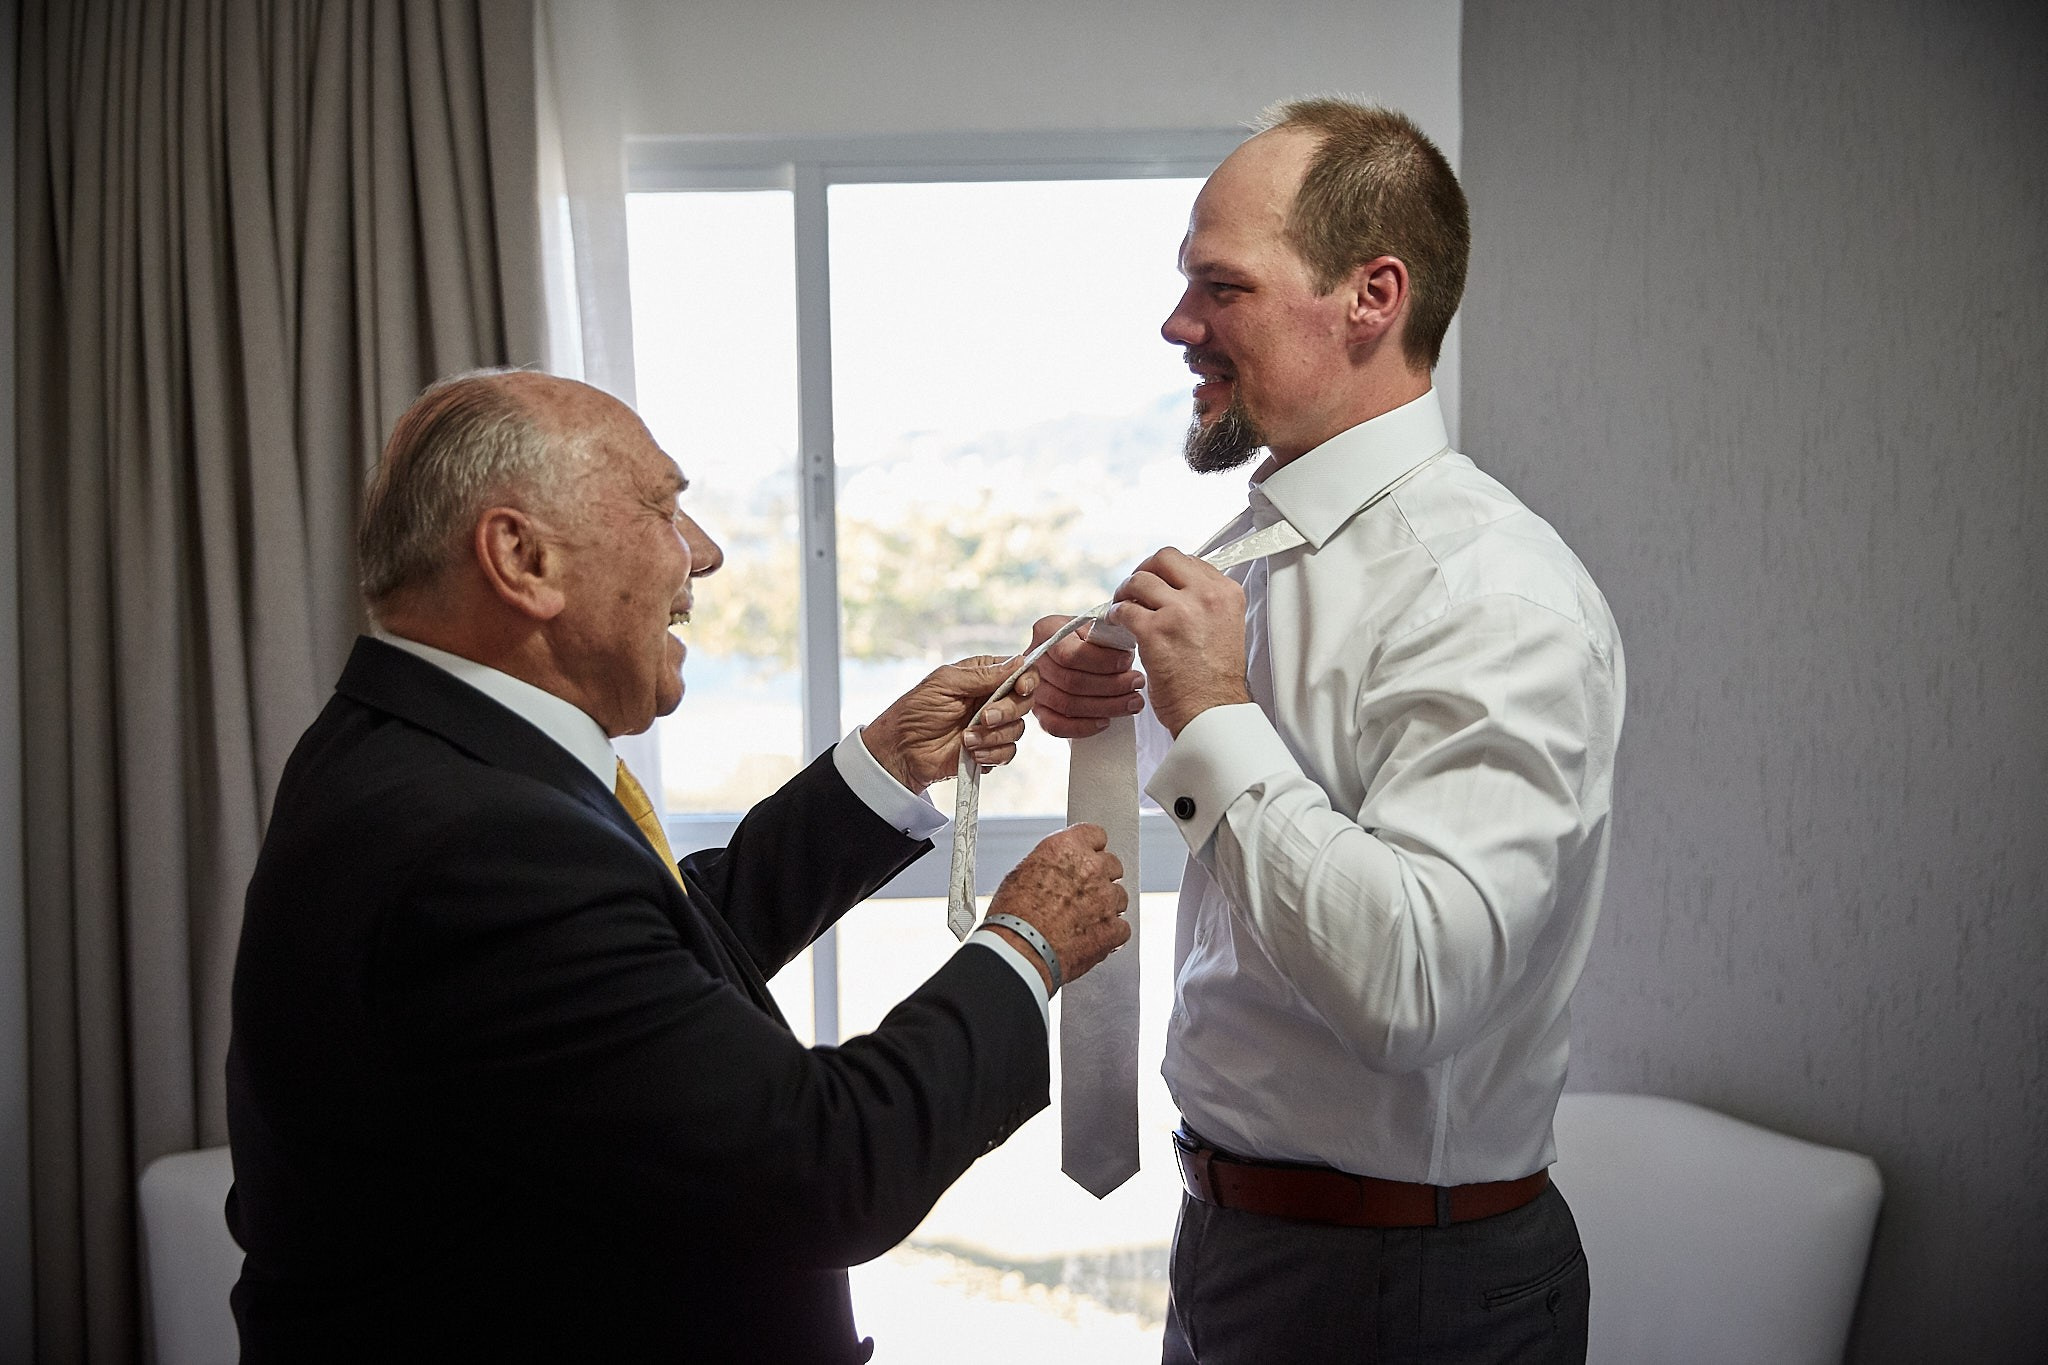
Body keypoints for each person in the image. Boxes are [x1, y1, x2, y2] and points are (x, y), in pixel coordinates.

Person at [224, 369, 1130, 1364]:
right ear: (519, 557)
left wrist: (884, 762)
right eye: (663, 507)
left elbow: (642, 958)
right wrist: (1024, 944)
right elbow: (819, 1170)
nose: (703, 553)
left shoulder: (408, 749)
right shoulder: (472, 842)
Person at [1031, 99, 1624, 1362]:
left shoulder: (1490, 595)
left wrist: (1210, 715)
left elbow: (1412, 983)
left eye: (1219, 287)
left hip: (1404, 1290)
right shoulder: (1250, 556)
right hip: (1234, 1248)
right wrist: (1125, 721)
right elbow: (1276, 829)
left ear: (1371, 297)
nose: (1176, 326)